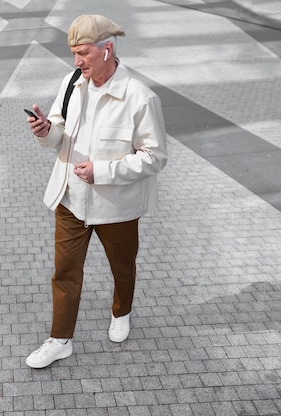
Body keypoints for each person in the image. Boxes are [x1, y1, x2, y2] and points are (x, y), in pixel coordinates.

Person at [25, 14, 168, 368]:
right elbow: (60, 132)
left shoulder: (139, 97)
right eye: (74, 53)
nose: (77, 62)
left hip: (116, 206)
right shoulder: (72, 82)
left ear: (108, 49)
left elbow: (155, 157)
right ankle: (60, 339)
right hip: (71, 200)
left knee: (122, 267)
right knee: (65, 271)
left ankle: (121, 312)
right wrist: (45, 131)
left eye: (84, 53)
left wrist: (102, 171)